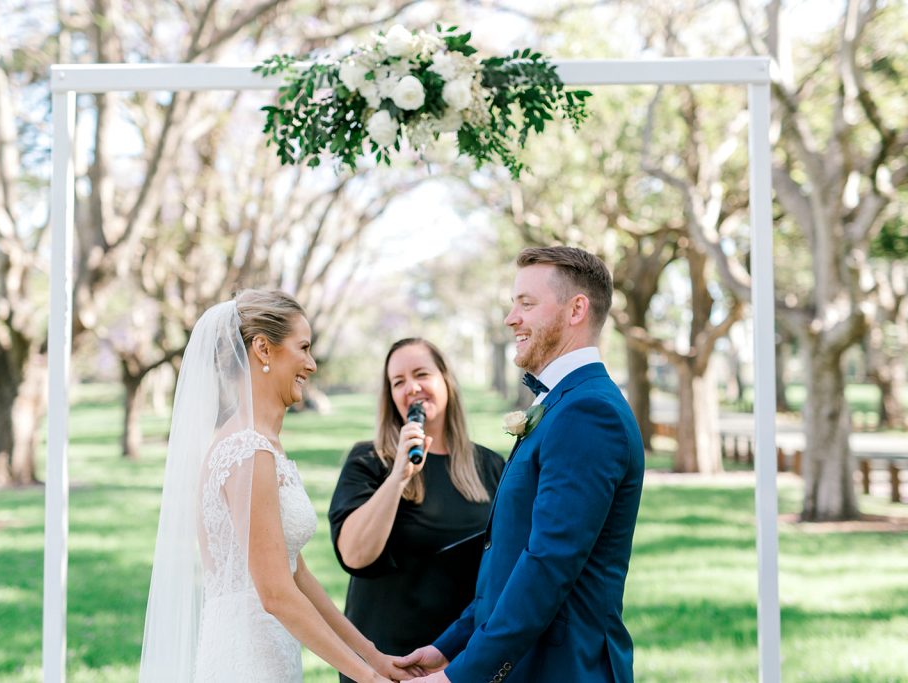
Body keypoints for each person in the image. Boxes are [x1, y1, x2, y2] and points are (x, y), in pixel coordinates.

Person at [397, 246, 645, 683]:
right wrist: (447, 647)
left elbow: (548, 564)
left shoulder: (589, 412)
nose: (512, 318)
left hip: (565, 669)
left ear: (576, 310)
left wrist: (462, 676)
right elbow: (511, 559)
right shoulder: (561, 403)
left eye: (526, 304)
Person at [139, 290, 404, 683]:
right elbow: (275, 594)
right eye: (303, 348)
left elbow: (295, 574)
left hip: (271, 654)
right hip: (245, 661)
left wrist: (374, 658)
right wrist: (366, 679)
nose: (311, 364)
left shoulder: (262, 445)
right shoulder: (247, 451)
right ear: (263, 349)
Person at [328, 338, 504, 682]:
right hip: (385, 662)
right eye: (398, 382)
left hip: (459, 661)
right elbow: (354, 555)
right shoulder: (368, 461)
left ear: (445, 380)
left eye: (421, 374)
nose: (411, 388)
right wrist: (398, 477)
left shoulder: (490, 465)